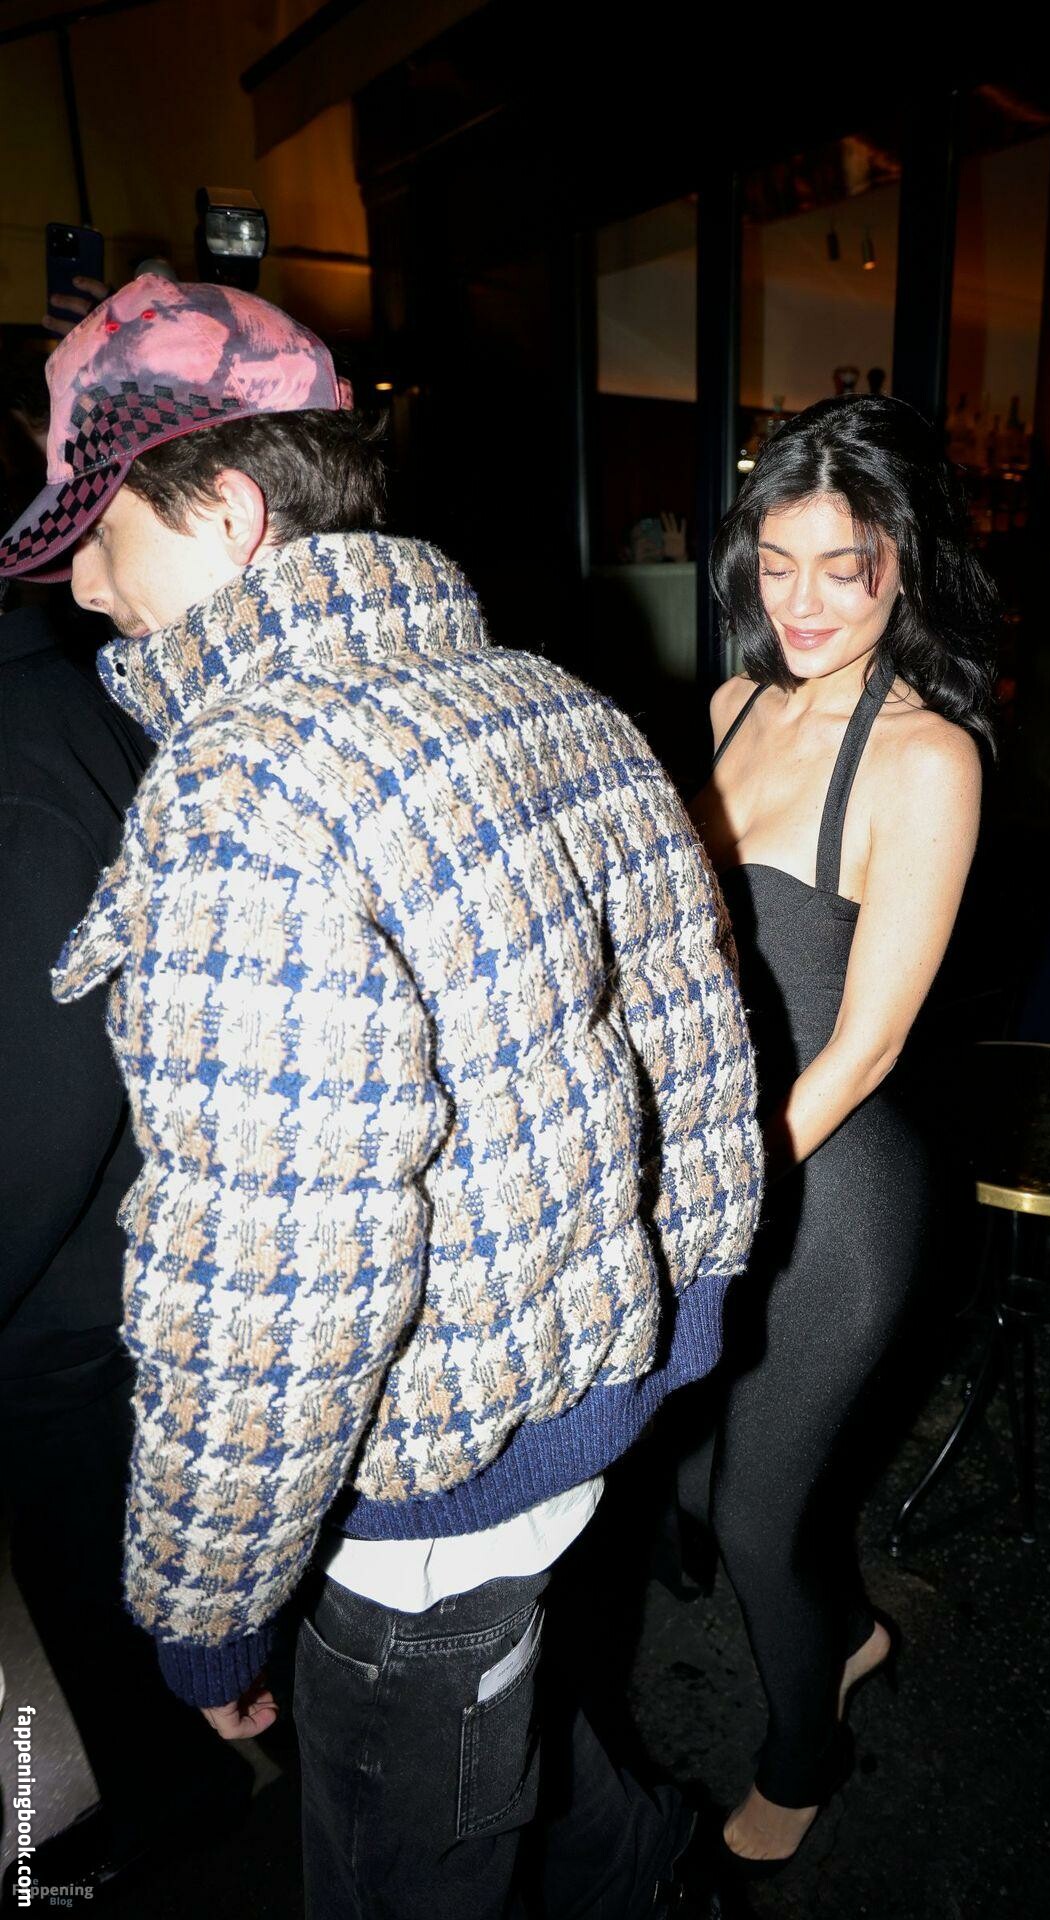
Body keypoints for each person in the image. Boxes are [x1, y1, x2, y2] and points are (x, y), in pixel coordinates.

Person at [0, 273, 762, 1920]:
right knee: (520, 1728)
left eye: (99, 530)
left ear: (227, 515)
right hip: (582, 1397)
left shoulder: (244, 796)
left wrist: (208, 1607)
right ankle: (669, 1887)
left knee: (410, 1860)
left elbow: (282, 1274)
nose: (81, 581)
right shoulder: (553, 694)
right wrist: (681, 1311)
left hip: (425, 1482)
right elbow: (701, 1038)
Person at [692, 393, 996, 1870]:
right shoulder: (732, 707)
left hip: (834, 1194)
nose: (800, 603)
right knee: (689, 1476)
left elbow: (868, 1043)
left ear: (905, 564)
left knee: (757, 1521)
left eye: (842, 567)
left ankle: (804, 1759)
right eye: (775, 563)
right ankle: (848, 1631)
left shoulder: (929, 760)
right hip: (716, 1160)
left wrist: (717, 1187)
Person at [0, 352, 251, 1905]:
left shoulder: (29, 751)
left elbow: (44, 1108)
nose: (91, 584)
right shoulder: (104, 693)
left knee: (107, 1600)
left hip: (74, 1298)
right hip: (131, 1261)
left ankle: (177, 1803)